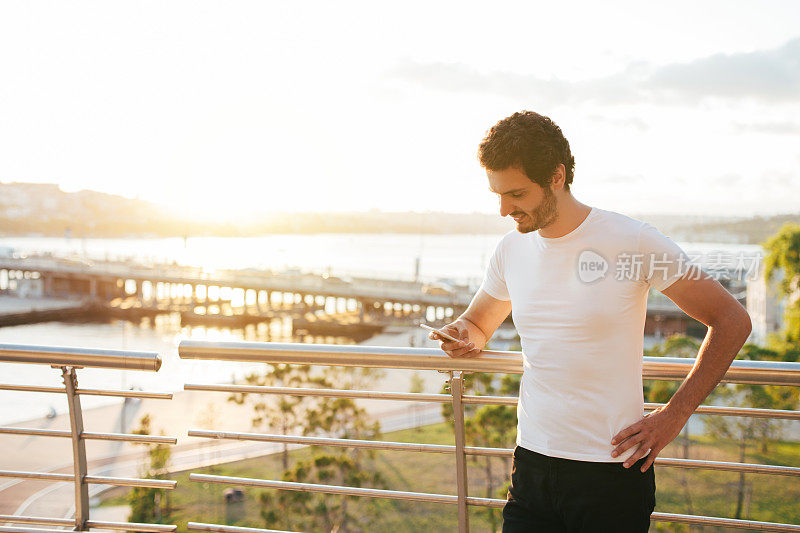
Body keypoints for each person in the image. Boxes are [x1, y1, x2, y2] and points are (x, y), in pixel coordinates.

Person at [430, 111, 752, 532]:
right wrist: (460, 335)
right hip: (532, 464)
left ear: (557, 176)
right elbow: (478, 323)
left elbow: (732, 319)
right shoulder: (510, 250)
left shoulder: (634, 240)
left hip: (610, 474)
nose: (504, 209)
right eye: (498, 194)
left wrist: (673, 415)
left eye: (517, 194)